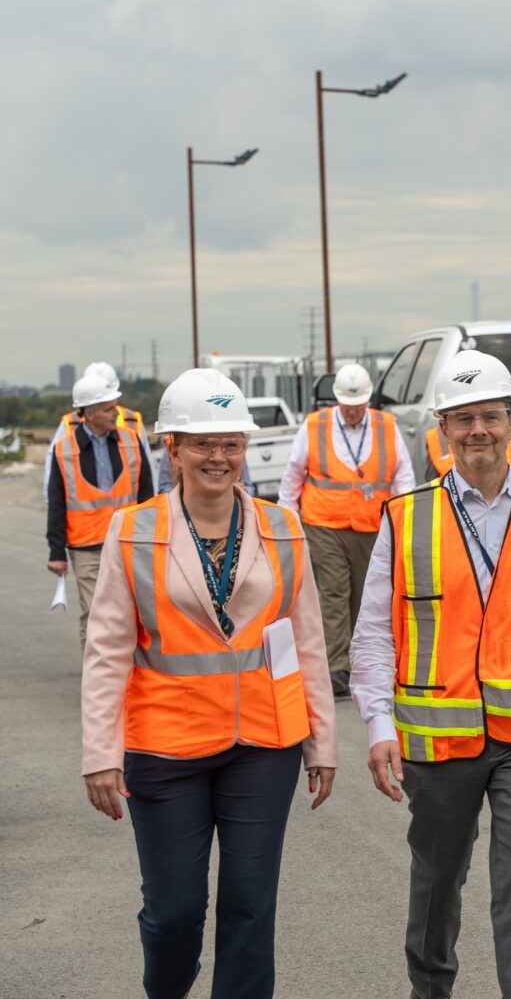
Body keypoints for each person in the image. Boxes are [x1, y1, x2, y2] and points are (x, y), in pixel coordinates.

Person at [350, 349, 511, 999]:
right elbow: (375, 633)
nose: (477, 433)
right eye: (462, 420)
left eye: (489, 417)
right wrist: (378, 724)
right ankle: (429, 987)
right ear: (441, 430)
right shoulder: (406, 517)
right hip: (439, 743)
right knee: (438, 878)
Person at [81, 368, 337, 999]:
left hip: (263, 743)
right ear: (173, 448)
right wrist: (100, 754)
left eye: (231, 443)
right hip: (165, 747)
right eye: (202, 442)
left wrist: (322, 742)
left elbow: (306, 643)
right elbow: (108, 649)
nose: (218, 457)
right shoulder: (134, 530)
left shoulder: (283, 526)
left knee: (251, 908)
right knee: (174, 913)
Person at [279, 363, 415, 699]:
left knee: (367, 595)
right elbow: (292, 476)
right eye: (347, 406)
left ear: (367, 401)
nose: (353, 412)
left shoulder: (386, 426)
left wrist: (403, 520)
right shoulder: (315, 426)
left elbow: (403, 477)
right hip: (324, 523)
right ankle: (335, 667)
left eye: (358, 406)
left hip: (373, 525)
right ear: (337, 401)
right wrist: (288, 522)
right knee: (334, 593)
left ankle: (363, 663)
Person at [47, 372, 154, 648]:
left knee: (131, 613)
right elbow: (56, 503)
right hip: (86, 547)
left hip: (127, 543)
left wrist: (150, 536)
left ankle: (128, 680)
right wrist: (56, 552)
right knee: (96, 614)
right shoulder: (64, 449)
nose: (115, 413)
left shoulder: (131, 441)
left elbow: (146, 495)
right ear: (90, 413)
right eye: (108, 409)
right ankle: (96, 686)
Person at [43, 360, 152, 502]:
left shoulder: (132, 422)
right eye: (107, 408)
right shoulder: (70, 424)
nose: (114, 413)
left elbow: (146, 475)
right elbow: (56, 463)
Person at [424, 417, 511, 478]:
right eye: (464, 419)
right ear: (445, 430)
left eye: (490, 417)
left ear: (510, 426)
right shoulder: (435, 439)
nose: (478, 430)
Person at [157, 435, 254, 494]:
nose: (218, 458)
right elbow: (164, 488)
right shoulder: (154, 522)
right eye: (203, 444)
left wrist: (240, 493)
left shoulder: (263, 520)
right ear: (175, 453)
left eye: (231, 445)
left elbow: (248, 486)